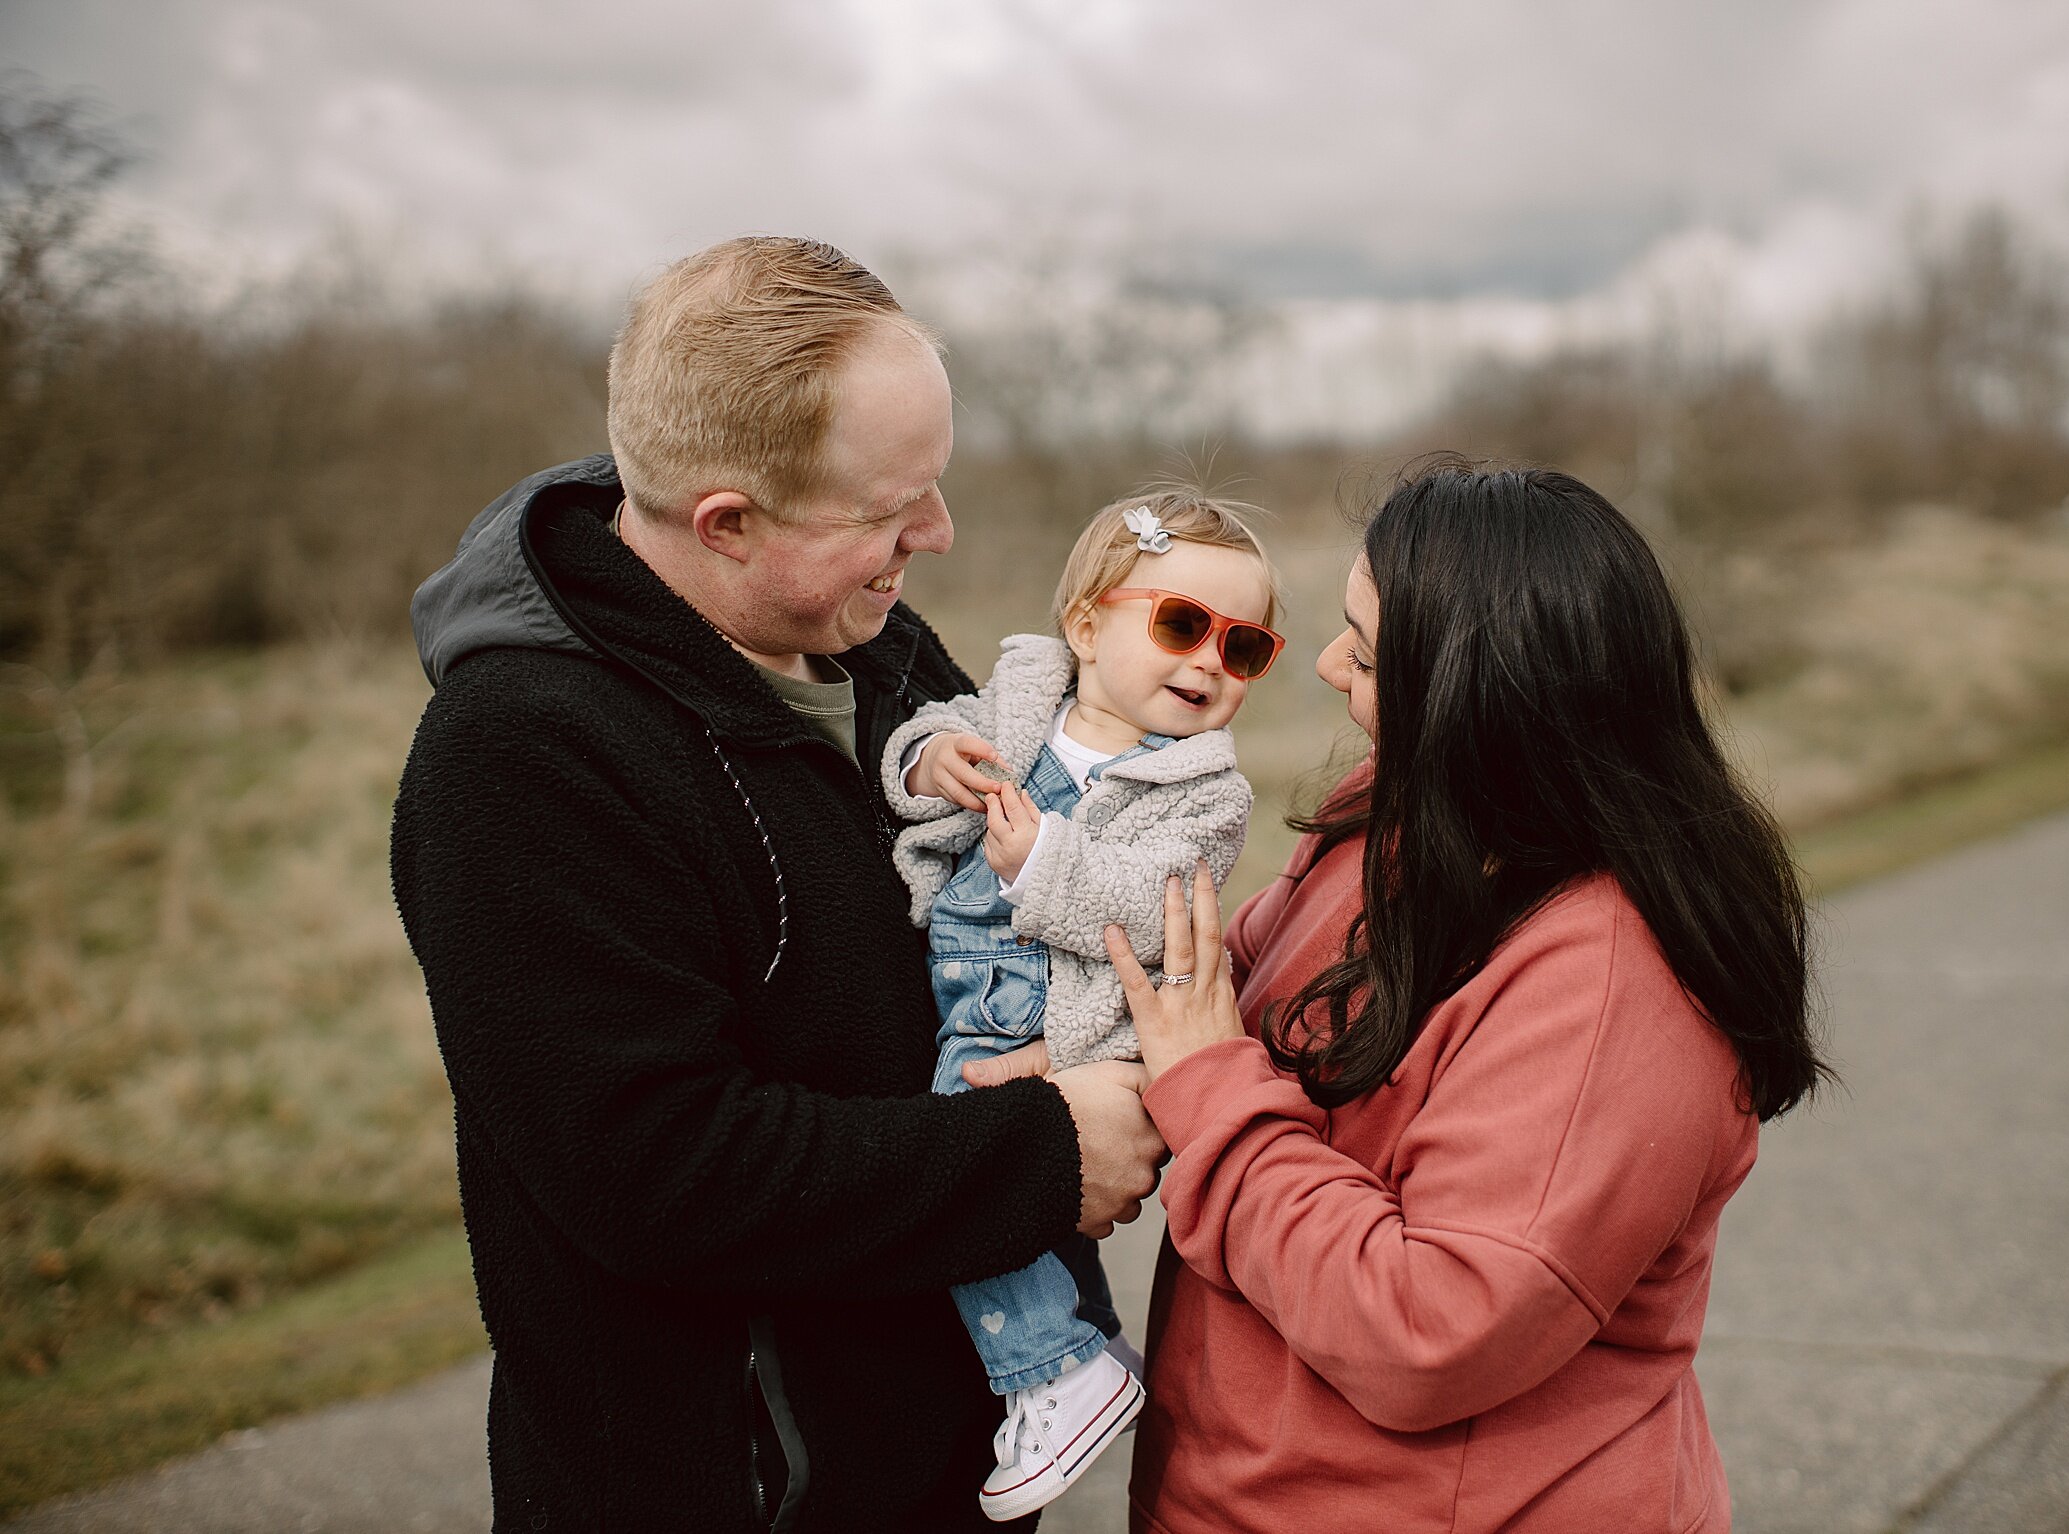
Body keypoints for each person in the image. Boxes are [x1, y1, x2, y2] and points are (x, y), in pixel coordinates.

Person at [389, 236, 1165, 1533]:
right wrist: (1041, 1155)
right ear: (727, 521)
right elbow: (660, 1172)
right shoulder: (520, 758)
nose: (938, 533)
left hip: (946, 1483)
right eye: (888, 509)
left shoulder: (879, 653)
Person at [1105, 461, 1831, 1532]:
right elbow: (1206, 1001)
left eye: (1367, 643)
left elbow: (1433, 1331)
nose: (1324, 663)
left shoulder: (1611, 982)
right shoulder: (1390, 817)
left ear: (1480, 686)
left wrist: (1208, 1094)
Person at [880, 490, 1283, 1520]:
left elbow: (1161, 905)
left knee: (966, 1170)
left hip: (1057, 1018)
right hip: (971, 984)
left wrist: (1047, 861)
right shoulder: (1022, 704)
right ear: (1087, 623)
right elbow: (929, 725)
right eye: (1182, 626)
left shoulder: (1201, 790)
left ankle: (1053, 1370)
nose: (1207, 664)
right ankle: (1085, 1337)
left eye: (1242, 650)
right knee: (1032, 1211)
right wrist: (925, 760)